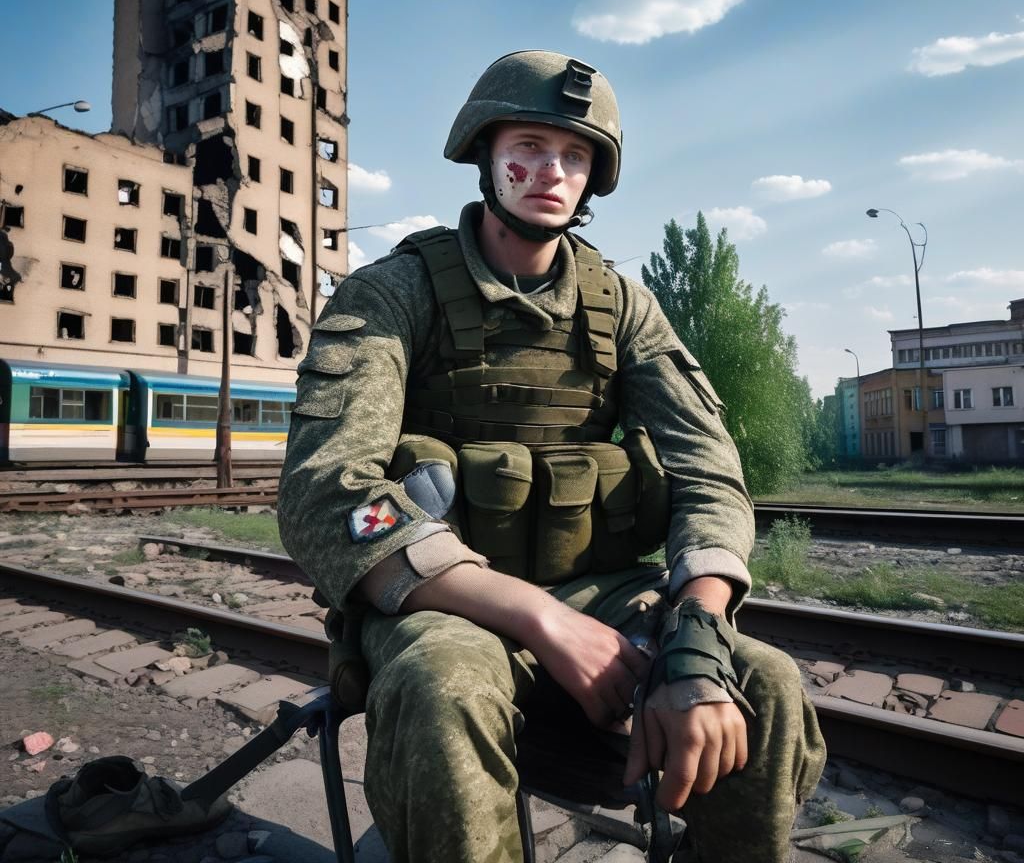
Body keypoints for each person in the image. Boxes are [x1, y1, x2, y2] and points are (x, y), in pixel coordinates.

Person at [278, 50, 826, 863]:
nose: (551, 171)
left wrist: (698, 630)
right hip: (447, 604)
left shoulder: (622, 306)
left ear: (594, 177)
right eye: (529, 148)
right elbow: (328, 493)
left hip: (606, 592)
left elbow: (709, 473)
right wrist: (541, 618)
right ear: (485, 155)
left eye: (575, 155)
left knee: (765, 684)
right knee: (445, 688)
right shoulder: (394, 293)